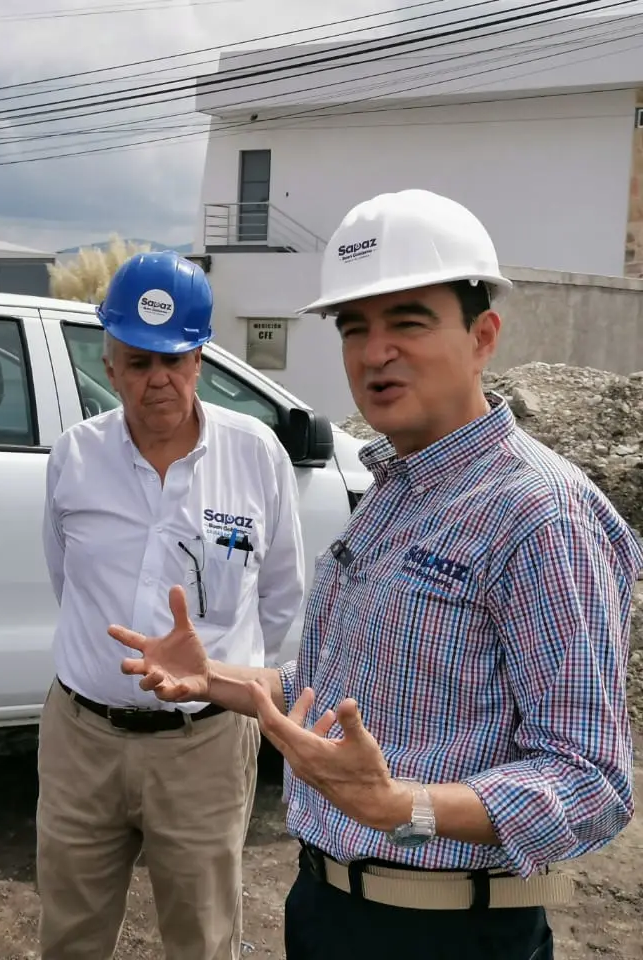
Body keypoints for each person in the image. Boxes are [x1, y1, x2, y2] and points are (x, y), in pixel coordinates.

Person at [113, 189, 643, 960]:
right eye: (355, 328)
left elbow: (592, 779)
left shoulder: (540, 514)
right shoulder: (395, 491)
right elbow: (347, 694)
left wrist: (406, 806)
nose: (373, 351)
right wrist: (216, 679)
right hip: (328, 907)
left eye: (408, 322)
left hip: (446, 933)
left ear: (482, 336)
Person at [37, 250, 306, 959]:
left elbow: (282, 595)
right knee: (69, 933)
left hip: (205, 747)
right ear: (109, 362)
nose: (157, 379)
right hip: (82, 740)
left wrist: (224, 678)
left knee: (202, 935)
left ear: (200, 361)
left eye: (175, 360)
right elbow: (66, 579)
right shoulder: (75, 456)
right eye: (136, 361)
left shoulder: (256, 454)